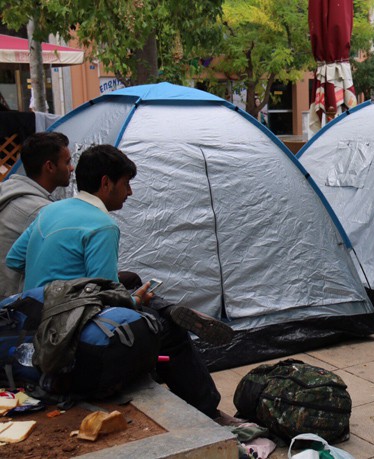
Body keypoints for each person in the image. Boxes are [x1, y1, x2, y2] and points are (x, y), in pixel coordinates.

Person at [7, 144, 232, 420]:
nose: (130, 192)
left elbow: (14, 260)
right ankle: (209, 409)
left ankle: (163, 306)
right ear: (106, 183)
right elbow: (106, 300)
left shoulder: (50, 211)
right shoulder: (102, 225)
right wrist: (135, 301)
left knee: (130, 280)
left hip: (36, 318)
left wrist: (57, 277)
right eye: (126, 184)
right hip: (68, 337)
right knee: (170, 333)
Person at [0, 132, 73, 297]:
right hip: (14, 309)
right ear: (50, 166)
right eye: (67, 162)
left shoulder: (8, 190)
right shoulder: (40, 211)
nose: (72, 168)